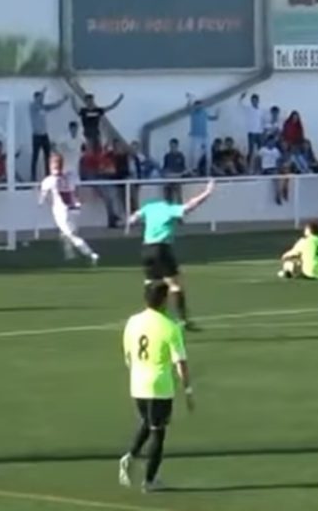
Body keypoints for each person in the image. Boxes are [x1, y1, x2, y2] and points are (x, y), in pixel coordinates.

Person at [118, 282, 194, 493]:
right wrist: (187, 390)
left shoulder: (133, 322)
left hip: (137, 384)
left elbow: (128, 356)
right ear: (163, 300)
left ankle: (130, 456)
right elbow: (181, 363)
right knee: (158, 433)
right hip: (159, 387)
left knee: (147, 422)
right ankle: (150, 480)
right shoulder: (169, 327)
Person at [128, 180, 215, 332]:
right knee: (174, 285)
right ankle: (183, 320)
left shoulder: (150, 207)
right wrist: (207, 192)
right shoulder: (169, 210)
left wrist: (133, 221)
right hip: (161, 249)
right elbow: (190, 206)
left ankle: (151, 318)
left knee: (151, 283)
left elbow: (133, 218)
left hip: (146, 249)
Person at [39, 153, 99, 264]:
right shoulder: (71, 176)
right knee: (67, 232)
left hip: (61, 211)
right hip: (75, 209)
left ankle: (91, 254)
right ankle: (69, 255)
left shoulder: (48, 181)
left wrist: (44, 200)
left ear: (50, 165)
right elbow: (78, 191)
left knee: (71, 235)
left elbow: (42, 199)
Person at [30, 88, 69, 180]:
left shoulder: (44, 107)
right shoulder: (32, 107)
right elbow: (37, 102)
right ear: (35, 98)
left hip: (44, 135)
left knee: (47, 156)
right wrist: (43, 91)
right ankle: (33, 177)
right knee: (35, 157)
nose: (41, 100)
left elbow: (55, 105)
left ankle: (48, 176)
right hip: (36, 136)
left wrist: (63, 99)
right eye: (39, 98)